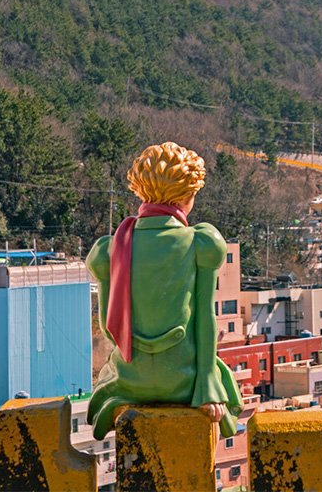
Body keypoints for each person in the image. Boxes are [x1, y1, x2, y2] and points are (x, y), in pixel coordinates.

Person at [85, 142, 242, 440]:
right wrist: (207, 386)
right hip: (184, 383)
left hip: (130, 381)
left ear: (140, 191)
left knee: (111, 368)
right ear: (188, 195)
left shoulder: (108, 250)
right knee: (221, 375)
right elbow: (205, 320)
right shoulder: (201, 242)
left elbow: (110, 331)